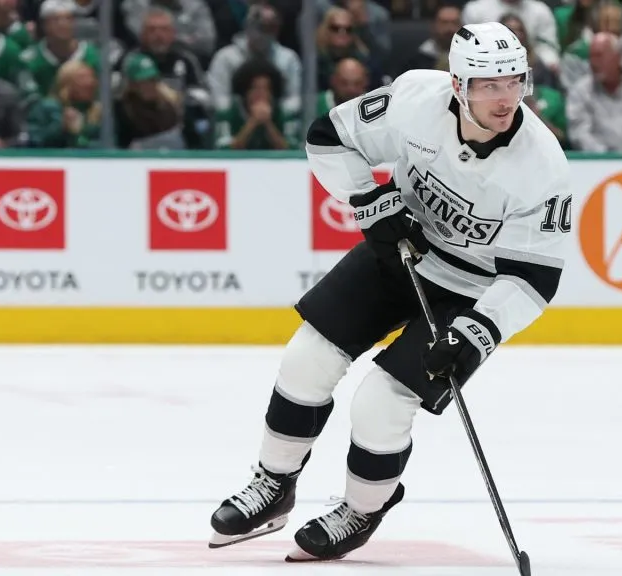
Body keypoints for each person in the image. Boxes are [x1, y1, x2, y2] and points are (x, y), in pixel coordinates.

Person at [207, 21, 571, 562]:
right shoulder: (415, 98)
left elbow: (534, 278)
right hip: (398, 252)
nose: (504, 98)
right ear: (457, 85)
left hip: (468, 289)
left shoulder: (543, 168)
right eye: (488, 85)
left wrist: (476, 334)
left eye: (513, 82)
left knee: (382, 401)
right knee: (307, 358)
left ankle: (361, 508)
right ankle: (273, 483)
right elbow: (328, 137)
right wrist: (372, 205)